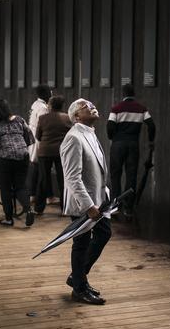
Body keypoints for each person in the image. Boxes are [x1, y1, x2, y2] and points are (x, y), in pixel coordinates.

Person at [60, 98, 110, 305]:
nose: (91, 106)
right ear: (76, 117)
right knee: (81, 243)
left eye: (91, 103)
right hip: (84, 202)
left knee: (104, 234)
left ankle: (77, 276)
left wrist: (105, 193)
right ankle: (79, 288)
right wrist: (89, 206)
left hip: (98, 199)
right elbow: (72, 177)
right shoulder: (73, 138)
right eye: (84, 106)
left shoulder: (90, 133)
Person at [0, 99, 36, 227]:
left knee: (5, 189)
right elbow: (29, 137)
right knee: (20, 186)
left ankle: (9, 219)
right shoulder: (19, 119)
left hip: (3, 158)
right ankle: (29, 209)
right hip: (23, 156)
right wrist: (19, 148)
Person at [107, 84, 156, 215]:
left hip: (118, 144)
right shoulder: (141, 109)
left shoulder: (116, 109)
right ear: (133, 94)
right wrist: (151, 141)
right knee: (131, 175)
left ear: (123, 94)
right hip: (133, 144)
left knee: (115, 175)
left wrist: (112, 137)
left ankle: (115, 206)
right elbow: (151, 125)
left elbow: (110, 127)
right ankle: (128, 208)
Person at [34, 95, 72, 214]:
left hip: (44, 152)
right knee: (63, 179)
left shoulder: (43, 118)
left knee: (43, 179)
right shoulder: (67, 118)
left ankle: (39, 208)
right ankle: (65, 208)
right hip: (61, 152)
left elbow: (38, 136)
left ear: (50, 106)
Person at [28, 85, 52, 198]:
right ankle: (37, 194)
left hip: (32, 135)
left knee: (37, 166)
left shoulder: (35, 104)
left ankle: (33, 194)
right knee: (39, 167)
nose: (52, 93)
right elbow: (44, 124)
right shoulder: (43, 107)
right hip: (38, 138)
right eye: (50, 92)